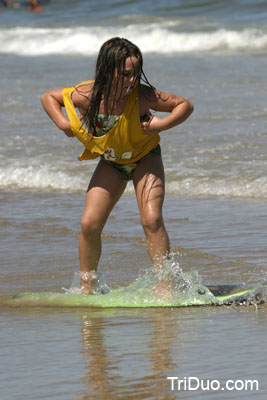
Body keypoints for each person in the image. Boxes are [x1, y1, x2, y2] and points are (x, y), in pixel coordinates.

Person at [41, 37, 194, 294]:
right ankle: (87, 287)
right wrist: (64, 124)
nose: (132, 80)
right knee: (89, 223)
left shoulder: (144, 96)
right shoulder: (87, 94)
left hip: (146, 159)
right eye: (125, 74)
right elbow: (49, 97)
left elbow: (184, 105)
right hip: (112, 163)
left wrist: (160, 125)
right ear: (107, 70)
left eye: (136, 73)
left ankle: (166, 286)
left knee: (152, 219)